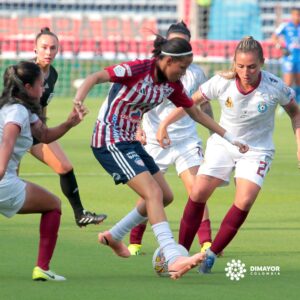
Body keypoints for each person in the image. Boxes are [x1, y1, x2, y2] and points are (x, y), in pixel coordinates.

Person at [73, 35, 247, 280]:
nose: (185, 73)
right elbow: (96, 77)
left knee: (165, 196)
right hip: (109, 137)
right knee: (152, 193)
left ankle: (114, 235)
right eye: (182, 67)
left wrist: (230, 137)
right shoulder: (137, 69)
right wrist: (78, 99)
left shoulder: (171, 85)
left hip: (129, 140)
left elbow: (196, 113)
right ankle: (173, 257)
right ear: (167, 60)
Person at [162, 36, 300, 273]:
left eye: (252, 66)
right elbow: (190, 103)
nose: (246, 72)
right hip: (224, 142)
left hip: (257, 150)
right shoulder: (221, 82)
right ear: (234, 63)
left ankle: (211, 255)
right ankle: (180, 253)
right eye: (241, 66)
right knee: (198, 192)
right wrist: (164, 124)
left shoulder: (275, 87)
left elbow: (296, 114)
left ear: (263, 63)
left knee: (244, 200)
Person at [127, 21, 214, 256]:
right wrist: (137, 128)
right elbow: (137, 102)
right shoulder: (152, 70)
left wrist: (214, 133)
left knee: (197, 191)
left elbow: (202, 105)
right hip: (155, 141)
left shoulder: (195, 73)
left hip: (186, 140)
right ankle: (135, 241)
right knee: (151, 194)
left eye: (184, 43)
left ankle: (206, 242)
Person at [0, 61, 88, 280]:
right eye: (40, 84)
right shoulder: (18, 112)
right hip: (3, 181)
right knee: (53, 205)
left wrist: (69, 123)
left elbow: (45, 136)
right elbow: (7, 143)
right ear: (28, 88)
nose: (44, 88)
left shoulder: (16, 109)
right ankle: (43, 268)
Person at [28, 27, 106, 227]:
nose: (48, 52)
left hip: (36, 132)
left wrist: (44, 129)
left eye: (53, 48)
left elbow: (42, 107)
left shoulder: (52, 74)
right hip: (16, 132)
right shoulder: (27, 72)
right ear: (34, 49)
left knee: (65, 167)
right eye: (44, 47)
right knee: (8, 180)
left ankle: (80, 215)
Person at [272, 7, 300, 108]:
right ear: (292, 15)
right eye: (295, 15)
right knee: (287, 83)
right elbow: (274, 37)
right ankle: (283, 105)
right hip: (289, 59)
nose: (297, 17)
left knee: (298, 82)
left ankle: (295, 103)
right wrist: (281, 47)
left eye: (298, 15)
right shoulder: (286, 26)